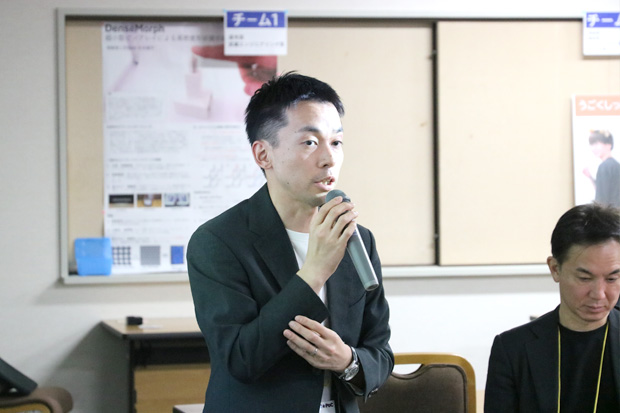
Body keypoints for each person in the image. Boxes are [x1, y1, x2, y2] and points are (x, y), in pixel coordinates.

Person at [187, 72, 393, 413]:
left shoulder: (357, 238)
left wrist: (347, 361)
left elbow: (381, 353)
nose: (329, 159)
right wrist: (314, 272)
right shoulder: (218, 241)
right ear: (263, 155)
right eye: (310, 142)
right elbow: (241, 359)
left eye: (336, 142)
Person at [484, 203, 620, 412]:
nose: (599, 294)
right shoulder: (513, 350)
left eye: (612, 279)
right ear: (555, 269)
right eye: (584, 278)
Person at [583, 130, 620, 208]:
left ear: (608, 145)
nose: (593, 148)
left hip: (609, 213)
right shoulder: (616, 165)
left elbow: (602, 198)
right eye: (592, 144)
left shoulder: (604, 166)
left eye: (596, 144)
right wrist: (590, 177)